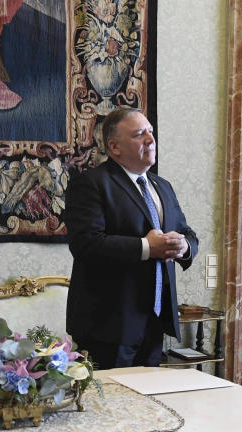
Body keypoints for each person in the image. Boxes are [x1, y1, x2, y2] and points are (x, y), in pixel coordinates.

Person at [65, 107, 198, 370]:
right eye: (140, 134)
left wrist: (183, 247)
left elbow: (188, 234)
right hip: (108, 325)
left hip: (154, 322)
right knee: (109, 407)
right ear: (114, 147)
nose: (150, 139)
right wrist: (148, 247)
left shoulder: (162, 186)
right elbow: (86, 244)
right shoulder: (91, 184)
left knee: (147, 404)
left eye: (150, 131)